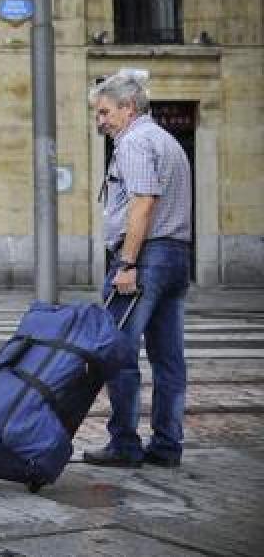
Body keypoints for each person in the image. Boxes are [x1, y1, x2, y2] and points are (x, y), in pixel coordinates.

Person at [83, 71, 192, 469]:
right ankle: (167, 445)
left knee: (118, 352)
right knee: (169, 358)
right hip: (177, 257)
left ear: (129, 109)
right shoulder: (167, 141)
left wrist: (127, 263)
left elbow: (143, 203)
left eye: (105, 112)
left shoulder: (133, 142)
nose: (101, 121)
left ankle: (124, 444)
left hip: (145, 259)